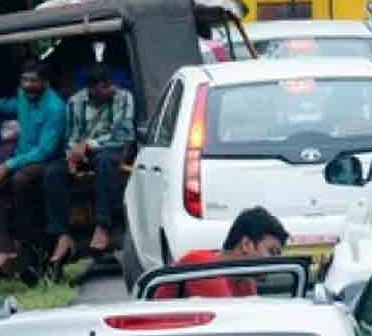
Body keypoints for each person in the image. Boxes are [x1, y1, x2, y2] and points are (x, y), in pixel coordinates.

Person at [42, 64, 135, 270]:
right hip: (82, 152)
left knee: (104, 162)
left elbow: (123, 134)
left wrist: (89, 145)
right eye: (102, 88)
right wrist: (73, 154)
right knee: (52, 172)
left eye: (109, 86)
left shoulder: (124, 97)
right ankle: (62, 235)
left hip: (113, 149)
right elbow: (72, 136)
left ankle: (102, 226)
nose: (108, 91)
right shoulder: (76, 102)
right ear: (91, 90)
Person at [0, 60, 66, 275]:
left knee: (19, 180)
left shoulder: (56, 108)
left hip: (49, 161)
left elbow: (45, 151)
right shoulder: (24, 96)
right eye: (24, 80)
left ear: (45, 82)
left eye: (33, 80)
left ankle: (31, 242)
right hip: (22, 158)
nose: (27, 85)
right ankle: (4, 248)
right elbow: (10, 106)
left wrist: (8, 165)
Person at [152, 206, 289, 298]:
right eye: (272, 251)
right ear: (246, 244)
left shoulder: (245, 281)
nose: (275, 261)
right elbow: (230, 327)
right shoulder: (205, 265)